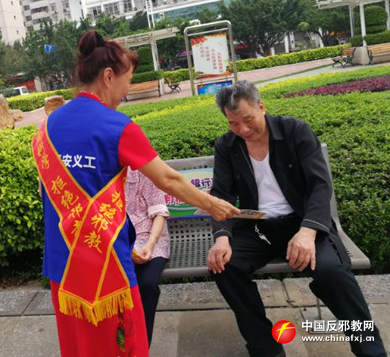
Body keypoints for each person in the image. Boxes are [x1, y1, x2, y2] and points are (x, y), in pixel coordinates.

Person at [32, 30, 239, 357]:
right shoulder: (117, 127)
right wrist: (212, 204)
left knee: (79, 347)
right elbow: (168, 179)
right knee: (123, 347)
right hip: (107, 266)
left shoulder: (46, 128)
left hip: (63, 265)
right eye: (127, 80)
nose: (127, 90)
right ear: (108, 76)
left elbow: (45, 192)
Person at [206, 80, 386, 357]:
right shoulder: (227, 146)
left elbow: (320, 186)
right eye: (233, 123)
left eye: (248, 119)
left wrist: (308, 232)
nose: (242, 129)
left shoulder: (295, 131)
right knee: (224, 267)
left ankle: (371, 351)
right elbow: (221, 196)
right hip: (258, 228)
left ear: (261, 107)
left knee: (332, 273)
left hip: (303, 223)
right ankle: (266, 348)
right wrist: (221, 237)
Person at [125, 168, 170, 347]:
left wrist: (149, 245)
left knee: (147, 284)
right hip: (119, 243)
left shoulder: (142, 171)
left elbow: (159, 212)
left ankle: (142, 345)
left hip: (151, 239)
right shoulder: (102, 174)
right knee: (121, 284)